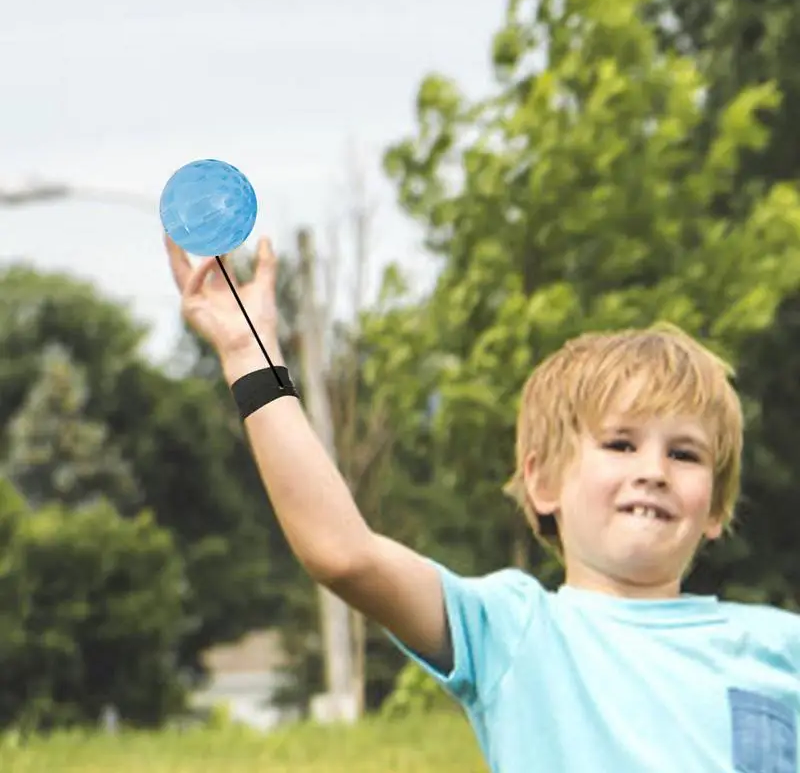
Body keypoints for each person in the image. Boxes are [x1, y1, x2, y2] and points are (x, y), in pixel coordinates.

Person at [166, 235, 800, 773]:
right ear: (541, 483)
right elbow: (343, 553)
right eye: (621, 444)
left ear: (715, 506)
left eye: (685, 455)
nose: (654, 471)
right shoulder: (514, 629)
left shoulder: (779, 644)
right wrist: (249, 353)